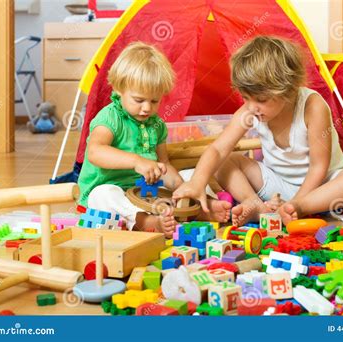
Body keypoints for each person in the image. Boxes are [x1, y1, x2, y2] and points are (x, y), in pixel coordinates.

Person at [173, 36, 343, 226]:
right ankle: (254, 204)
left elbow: (319, 167)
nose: (252, 106)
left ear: (288, 90)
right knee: (224, 161)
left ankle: (299, 209)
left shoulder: (312, 107)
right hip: (277, 184)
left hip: (323, 187)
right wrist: (197, 183)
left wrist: (297, 202)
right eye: (246, 98)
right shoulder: (251, 111)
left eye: (261, 100)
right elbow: (218, 149)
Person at [78, 42, 231, 237]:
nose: (147, 108)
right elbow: (95, 152)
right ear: (118, 89)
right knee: (102, 195)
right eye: (139, 100)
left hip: (145, 194)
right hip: (113, 196)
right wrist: (136, 161)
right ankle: (145, 222)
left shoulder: (156, 125)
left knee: (191, 175)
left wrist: (181, 186)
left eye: (154, 101)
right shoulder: (109, 118)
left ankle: (201, 207)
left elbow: (163, 164)